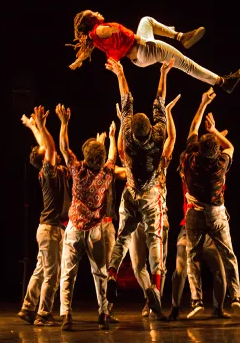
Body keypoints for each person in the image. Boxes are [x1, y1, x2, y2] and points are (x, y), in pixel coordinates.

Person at [104, 56, 178, 320]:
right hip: (150, 194)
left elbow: (126, 101)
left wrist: (120, 73)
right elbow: (159, 101)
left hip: (131, 192)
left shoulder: (126, 137)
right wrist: (164, 73)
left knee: (123, 235)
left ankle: (112, 273)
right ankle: (156, 289)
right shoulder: (158, 137)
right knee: (154, 237)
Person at [181, 87, 240, 316]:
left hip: (195, 213)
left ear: (198, 148)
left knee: (192, 257)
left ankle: (196, 300)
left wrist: (202, 104)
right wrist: (215, 130)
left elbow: (192, 129)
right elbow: (230, 146)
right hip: (217, 213)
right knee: (228, 254)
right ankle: (236, 296)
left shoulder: (189, 159)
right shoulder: (221, 164)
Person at [68, 10, 240, 94]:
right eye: (93, 13)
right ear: (92, 20)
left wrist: (77, 62)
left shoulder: (93, 39)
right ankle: (222, 82)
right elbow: (107, 33)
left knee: (146, 20)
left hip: (139, 58)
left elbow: (84, 53)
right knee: (186, 64)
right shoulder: (99, 31)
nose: (97, 12)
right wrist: (111, 31)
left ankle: (180, 36)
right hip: (145, 48)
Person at [56, 103, 117, 331]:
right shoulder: (106, 175)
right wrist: (111, 137)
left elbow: (64, 148)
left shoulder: (78, 172)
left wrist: (64, 123)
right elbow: (112, 157)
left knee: (68, 273)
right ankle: (103, 313)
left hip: (75, 228)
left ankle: (66, 315)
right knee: (99, 273)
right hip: (95, 231)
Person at [17, 107, 72, 326]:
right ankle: (43, 314)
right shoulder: (49, 172)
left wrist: (34, 126)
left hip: (46, 229)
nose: (54, 153)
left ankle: (27, 307)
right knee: (52, 273)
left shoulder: (48, 169)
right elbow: (48, 147)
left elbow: (44, 146)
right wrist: (42, 125)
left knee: (41, 270)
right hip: (51, 230)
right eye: (50, 152)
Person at [168, 178, 231, 320]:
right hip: (189, 229)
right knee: (180, 269)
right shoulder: (191, 177)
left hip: (209, 231)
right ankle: (175, 308)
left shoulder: (214, 178)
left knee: (220, 270)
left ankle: (218, 309)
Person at [83, 132, 127, 323]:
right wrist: (110, 138)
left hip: (103, 224)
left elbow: (121, 170)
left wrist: (106, 140)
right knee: (104, 269)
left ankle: (105, 310)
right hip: (103, 224)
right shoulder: (98, 172)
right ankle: (104, 310)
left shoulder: (93, 171)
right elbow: (114, 161)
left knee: (103, 270)